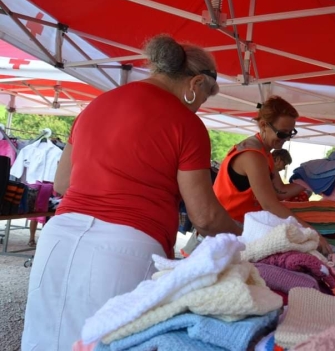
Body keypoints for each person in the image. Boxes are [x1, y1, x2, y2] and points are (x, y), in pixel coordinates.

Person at [21, 35, 242, 351]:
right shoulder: (187, 124)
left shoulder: (96, 105)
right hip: (127, 247)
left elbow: (62, 184)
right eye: (206, 95)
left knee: (45, 339)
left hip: (58, 238)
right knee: (114, 342)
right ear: (195, 82)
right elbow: (205, 217)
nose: (202, 105)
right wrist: (244, 235)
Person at [213, 96, 332, 254]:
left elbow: (280, 191)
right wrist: (312, 233)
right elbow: (270, 204)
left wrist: (313, 181)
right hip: (220, 235)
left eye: (291, 133)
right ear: (263, 125)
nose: (287, 139)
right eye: (282, 134)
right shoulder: (252, 156)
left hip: (234, 232)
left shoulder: (265, 154)